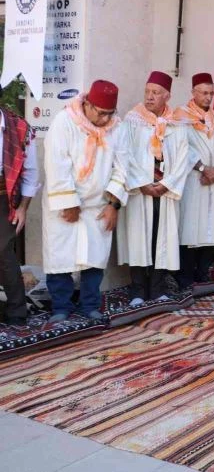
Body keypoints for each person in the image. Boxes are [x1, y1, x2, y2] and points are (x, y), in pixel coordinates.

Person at [43, 80, 127, 322]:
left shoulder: (117, 127)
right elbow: (56, 164)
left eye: (110, 113)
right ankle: (61, 307)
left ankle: (90, 305)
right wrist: (69, 203)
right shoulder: (64, 121)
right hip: (66, 203)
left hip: (98, 206)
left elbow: (123, 166)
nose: (105, 119)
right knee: (60, 257)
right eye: (101, 113)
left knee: (94, 258)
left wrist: (113, 204)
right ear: (87, 104)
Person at [117, 71, 189, 305]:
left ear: (167, 96)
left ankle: (158, 289)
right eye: (147, 91)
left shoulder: (177, 124)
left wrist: (166, 184)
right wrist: (142, 183)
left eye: (155, 93)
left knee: (162, 239)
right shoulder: (132, 121)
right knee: (139, 239)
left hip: (165, 191)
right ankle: (137, 291)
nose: (149, 96)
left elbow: (183, 158)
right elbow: (124, 154)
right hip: (141, 190)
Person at [173, 73, 214, 287]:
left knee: (209, 227)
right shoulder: (180, 117)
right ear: (193, 92)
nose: (208, 97)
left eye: (211, 93)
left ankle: (203, 273)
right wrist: (201, 168)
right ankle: (185, 276)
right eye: (204, 93)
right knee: (189, 227)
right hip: (192, 180)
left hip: (212, 180)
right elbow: (180, 146)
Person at [0, 96, 38, 326]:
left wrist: (23, 208)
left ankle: (17, 311)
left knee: (3, 251)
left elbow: (31, 173)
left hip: (4, 197)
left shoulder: (19, 128)